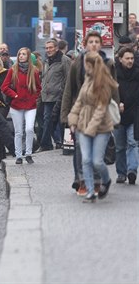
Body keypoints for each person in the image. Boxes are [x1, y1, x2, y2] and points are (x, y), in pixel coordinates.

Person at [61, 31, 118, 196]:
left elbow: (113, 89)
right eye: (91, 41)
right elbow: (69, 91)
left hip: (101, 113)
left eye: (97, 42)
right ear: (85, 44)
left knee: (97, 154)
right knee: (80, 150)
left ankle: (99, 181)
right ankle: (83, 182)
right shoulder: (77, 63)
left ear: (101, 44)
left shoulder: (108, 63)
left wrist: (117, 106)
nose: (94, 44)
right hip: (81, 113)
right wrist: (67, 116)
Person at [1, 48, 41, 164]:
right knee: (18, 132)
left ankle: (28, 153)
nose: (21, 56)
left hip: (30, 105)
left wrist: (34, 97)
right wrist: (15, 95)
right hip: (16, 105)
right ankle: (18, 155)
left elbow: (39, 88)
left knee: (29, 129)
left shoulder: (34, 71)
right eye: (19, 54)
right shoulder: (12, 70)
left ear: (28, 56)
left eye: (23, 54)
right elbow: (4, 87)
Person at [40, 39, 72, 151]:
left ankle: (63, 143)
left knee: (60, 120)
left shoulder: (65, 60)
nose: (48, 50)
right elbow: (44, 78)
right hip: (47, 97)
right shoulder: (46, 61)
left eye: (50, 47)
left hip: (60, 96)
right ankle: (48, 144)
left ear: (56, 48)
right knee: (48, 120)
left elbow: (68, 78)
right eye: (47, 48)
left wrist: (65, 94)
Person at [113, 47, 139, 185]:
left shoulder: (137, 73)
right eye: (127, 58)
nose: (130, 61)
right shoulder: (114, 74)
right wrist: (117, 103)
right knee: (120, 146)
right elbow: (109, 93)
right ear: (120, 59)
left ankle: (132, 171)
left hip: (135, 114)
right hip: (118, 115)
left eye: (132, 58)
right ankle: (121, 173)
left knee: (133, 142)